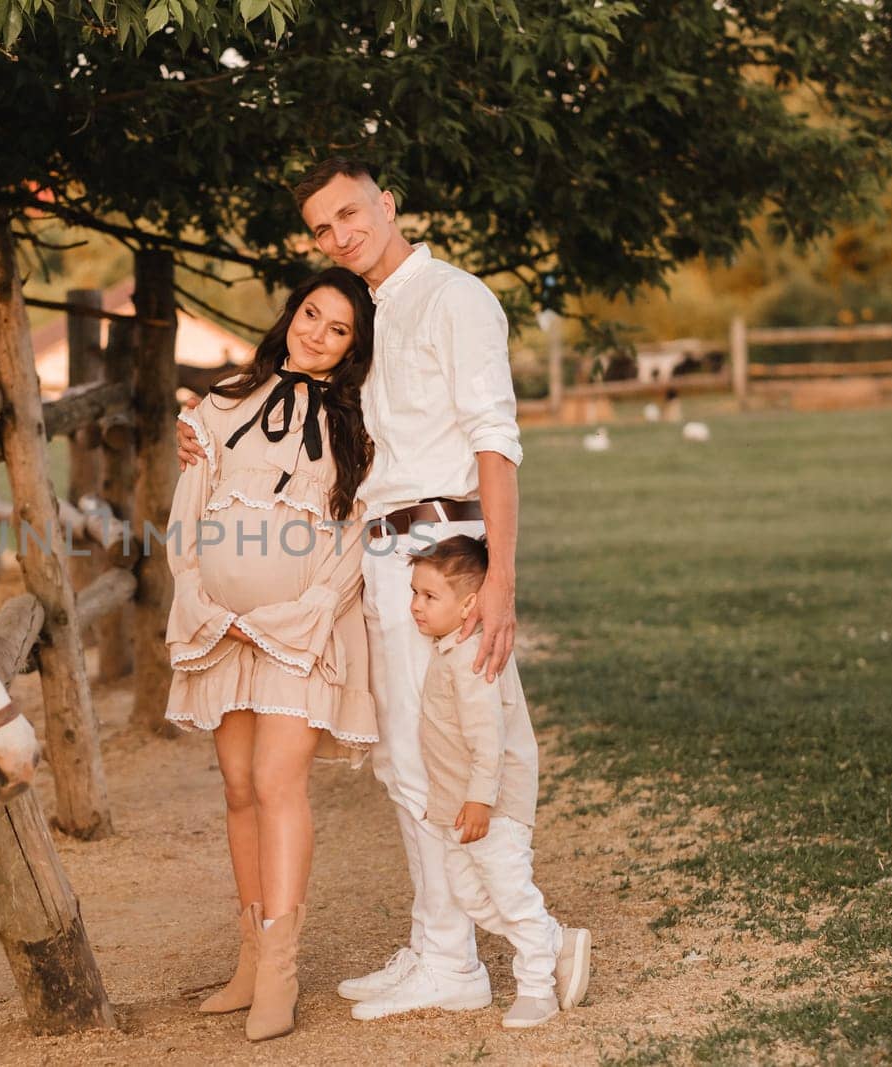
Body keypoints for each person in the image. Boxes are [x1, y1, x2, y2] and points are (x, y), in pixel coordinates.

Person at [177, 157, 561, 1018]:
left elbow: (496, 439)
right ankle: (439, 946)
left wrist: (498, 576)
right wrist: (201, 438)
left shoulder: (455, 298)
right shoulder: (375, 315)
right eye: (322, 228)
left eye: (351, 213)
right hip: (379, 554)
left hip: (438, 542)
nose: (340, 234)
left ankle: (479, 952)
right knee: (401, 757)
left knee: (450, 750)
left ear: (389, 203)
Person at [165, 267, 378, 1041]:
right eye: (310, 314)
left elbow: (356, 531)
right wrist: (196, 595)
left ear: (355, 347)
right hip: (221, 624)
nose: (316, 333)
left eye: (338, 328)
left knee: (275, 779)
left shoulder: (361, 422)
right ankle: (250, 957)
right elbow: (188, 511)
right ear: (291, 313)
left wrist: (311, 609)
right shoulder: (222, 403)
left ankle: (282, 976)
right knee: (236, 787)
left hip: (301, 626)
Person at [348, 535, 591, 1028]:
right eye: (413, 593)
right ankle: (553, 940)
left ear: (469, 606)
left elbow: (488, 740)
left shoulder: (475, 659)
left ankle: (537, 987)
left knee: (510, 894)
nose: (415, 606)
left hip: (492, 810)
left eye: (429, 597)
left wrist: (481, 801)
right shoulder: (446, 649)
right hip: (458, 809)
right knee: (472, 896)